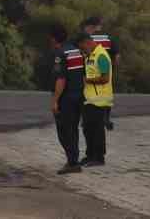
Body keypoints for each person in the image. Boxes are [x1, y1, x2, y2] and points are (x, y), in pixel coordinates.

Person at [49, 26, 85, 174]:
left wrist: (55, 100)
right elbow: (83, 75)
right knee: (73, 129)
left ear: (53, 39)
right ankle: (73, 159)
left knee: (64, 130)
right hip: (78, 95)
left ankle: (72, 162)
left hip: (66, 98)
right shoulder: (76, 51)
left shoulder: (60, 53)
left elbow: (61, 79)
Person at [78, 33, 113, 167]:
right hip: (89, 98)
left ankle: (99, 157)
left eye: (83, 48)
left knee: (97, 129)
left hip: (100, 99)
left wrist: (88, 80)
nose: (82, 51)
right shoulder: (89, 56)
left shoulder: (101, 56)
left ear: (88, 42)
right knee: (87, 128)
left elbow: (105, 78)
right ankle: (90, 155)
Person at [81, 15, 118, 130]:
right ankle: (106, 119)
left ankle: (87, 119)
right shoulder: (108, 38)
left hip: (90, 68)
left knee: (89, 95)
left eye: (85, 27)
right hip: (105, 69)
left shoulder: (87, 38)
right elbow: (116, 56)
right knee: (106, 96)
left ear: (90, 27)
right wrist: (112, 68)